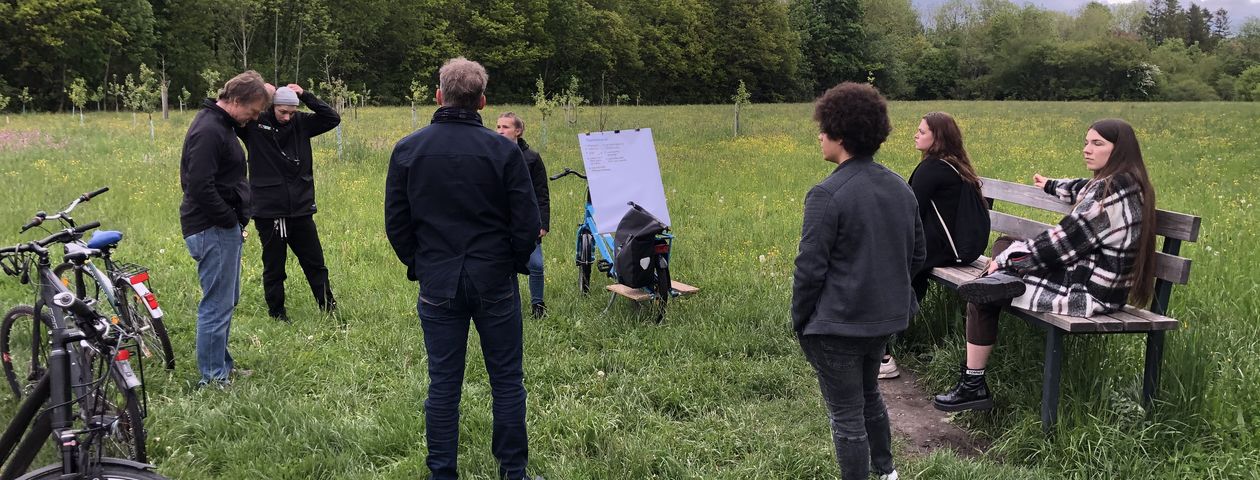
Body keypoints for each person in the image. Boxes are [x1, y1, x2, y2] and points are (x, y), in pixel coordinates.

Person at [384, 57, 543, 480]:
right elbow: (526, 223)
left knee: (443, 384)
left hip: (439, 279)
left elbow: (397, 224)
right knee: (507, 381)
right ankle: (514, 472)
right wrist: (509, 262)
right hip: (493, 277)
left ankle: (442, 473)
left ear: (439, 96)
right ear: (483, 102)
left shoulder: (408, 149)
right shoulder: (504, 151)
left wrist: (421, 264)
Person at [933, 118, 1157, 412]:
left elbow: (1061, 244)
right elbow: (1082, 188)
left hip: (1090, 292)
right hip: (1094, 279)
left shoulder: (1110, 193)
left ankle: (973, 385)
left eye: (1097, 143)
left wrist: (1005, 261)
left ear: (1119, 150)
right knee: (1005, 246)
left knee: (986, 290)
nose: (1086, 149)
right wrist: (1051, 185)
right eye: (1086, 142)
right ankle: (998, 281)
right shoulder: (1124, 182)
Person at [792, 82, 924, 480]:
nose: (819, 135)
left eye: (824, 128)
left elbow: (809, 269)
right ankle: (887, 473)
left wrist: (801, 320)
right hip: (883, 322)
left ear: (840, 135)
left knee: (846, 415)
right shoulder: (901, 187)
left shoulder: (826, 194)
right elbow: (917, 255)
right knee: (870, 398)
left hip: (837, 326)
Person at [179, 70, 273, 388]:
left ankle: (222, 366)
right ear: (235, 101)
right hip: (211, 228)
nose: (254, 117)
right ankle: (213, 378)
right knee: (216, 304)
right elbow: (198, 186)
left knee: (225, 300)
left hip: (219, 228)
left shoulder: (222, 125)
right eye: (254, 110)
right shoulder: (209, 130)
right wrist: (227, 219)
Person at [880, 112, 985, 380]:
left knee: (888, 272)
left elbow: (908, 211)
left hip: (946, 248)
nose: (916, 134)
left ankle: (881, 354)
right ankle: (889, 342)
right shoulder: (953, 165)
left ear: (937, 137)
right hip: (958, 248)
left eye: (922, 131)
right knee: (912, 274)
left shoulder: (933, 168)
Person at [237, 83, 341, 322]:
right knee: (275, 266)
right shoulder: (255, 123)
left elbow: (331, 118)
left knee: (315, 263)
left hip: (301, 208)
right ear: (272, 106)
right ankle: (277, 314)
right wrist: (258, 91)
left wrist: (305, 95)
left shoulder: (301, 123)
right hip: (270, 210)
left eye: (291, 112)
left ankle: (328, 308)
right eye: (282, 111)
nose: (286, 117)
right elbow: (231, 112)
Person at [495, 112, 550, 319]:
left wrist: (542, 223)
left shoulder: (531, 158)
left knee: (535, 264)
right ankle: (509, 304)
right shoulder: (491, 154)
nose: (500, 131)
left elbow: (541, 193)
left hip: (526, 221)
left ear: (518, 131)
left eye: (506, 127)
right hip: (501, 221)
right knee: (506, 264)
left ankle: (538, 305)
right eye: (498, 126)